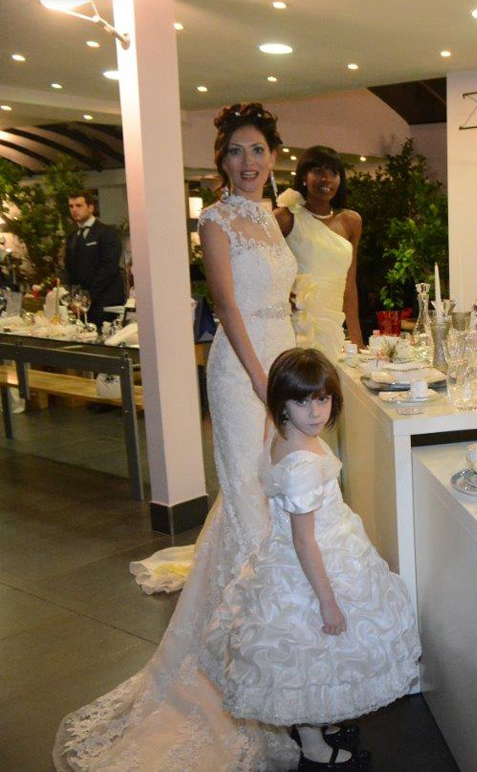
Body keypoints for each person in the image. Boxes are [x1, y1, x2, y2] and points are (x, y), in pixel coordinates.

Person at [54, 103, 301, 772]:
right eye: (236, 152)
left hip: (280, 363)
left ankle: (276, 652)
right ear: (221, 161)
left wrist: (295, 371)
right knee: (249, 503)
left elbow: (283, 302)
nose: (247, 163)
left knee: (270, 501)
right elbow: (225, 305)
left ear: (272, 157)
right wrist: (264, 381)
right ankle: (243, 670)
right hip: (242, 371)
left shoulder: (272, 219)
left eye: (257, 151)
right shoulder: (215, 219)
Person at [203, 348, 420, 772]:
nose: (316, 412)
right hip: (314, 563)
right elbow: (305, 542)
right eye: (302, 401)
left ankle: (320, 720)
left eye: (323, 399)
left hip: (304, 553)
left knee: (318, 658)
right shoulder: (302, 464)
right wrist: (327, 600)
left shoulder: (283, 432)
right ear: (281, 403)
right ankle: (313, 746)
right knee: (312, 654)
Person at [274, 145, 364, 358]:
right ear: (303, 177)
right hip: (298, 326)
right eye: (318, 171)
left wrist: (357, 341)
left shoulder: (351, 221)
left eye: (333, 173)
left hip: (334, 325)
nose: (327, 179)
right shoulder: (285, 218)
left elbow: (350, 286)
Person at [63, 189, 125, 327]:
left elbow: (109, 268)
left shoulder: (107, 232)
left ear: (90, 208)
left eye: (79, 205)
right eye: (71, 206)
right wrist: (73, 298)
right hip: (81, 305)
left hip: (105, 300)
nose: (74, 210)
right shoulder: (72, 237)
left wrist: (87, 297)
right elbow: (69, 269)